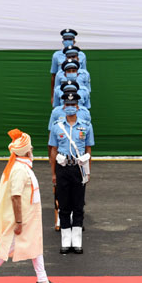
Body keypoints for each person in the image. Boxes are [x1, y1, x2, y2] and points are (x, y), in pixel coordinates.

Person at [0, 129, 62, 283]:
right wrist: (19, 221)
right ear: (26, 151)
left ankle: (42, 279)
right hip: (22, 218)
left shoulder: (22, 167)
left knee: (35, 244)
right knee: (7, 248)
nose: (32, 151)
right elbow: (15, 197)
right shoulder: (19, 170)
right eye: (30, 148)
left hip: (29, 217)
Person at [49, 92, 94, 254]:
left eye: (72, 105)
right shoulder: (57, 126)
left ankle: (77, 241)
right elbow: (53, 150)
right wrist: (53, 173)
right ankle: (65, 241)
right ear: (63, 106)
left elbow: (88, 149)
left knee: (78, 204)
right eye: (67, 105)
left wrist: (87, 172)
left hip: (78, 168)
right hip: (62, 167)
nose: (69, 108)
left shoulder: (86, 126)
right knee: (63, 204)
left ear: (77, 106)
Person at [50, 29, 87, 99]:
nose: (67, 41)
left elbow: (85, 75)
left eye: (70, 39)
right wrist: (52, 96)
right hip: (62, 90)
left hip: (78, 90)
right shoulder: (56, 55)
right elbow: (53, 77)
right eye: (65, 39)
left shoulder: (82, 55)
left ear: (74, 41)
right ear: (63, 41)